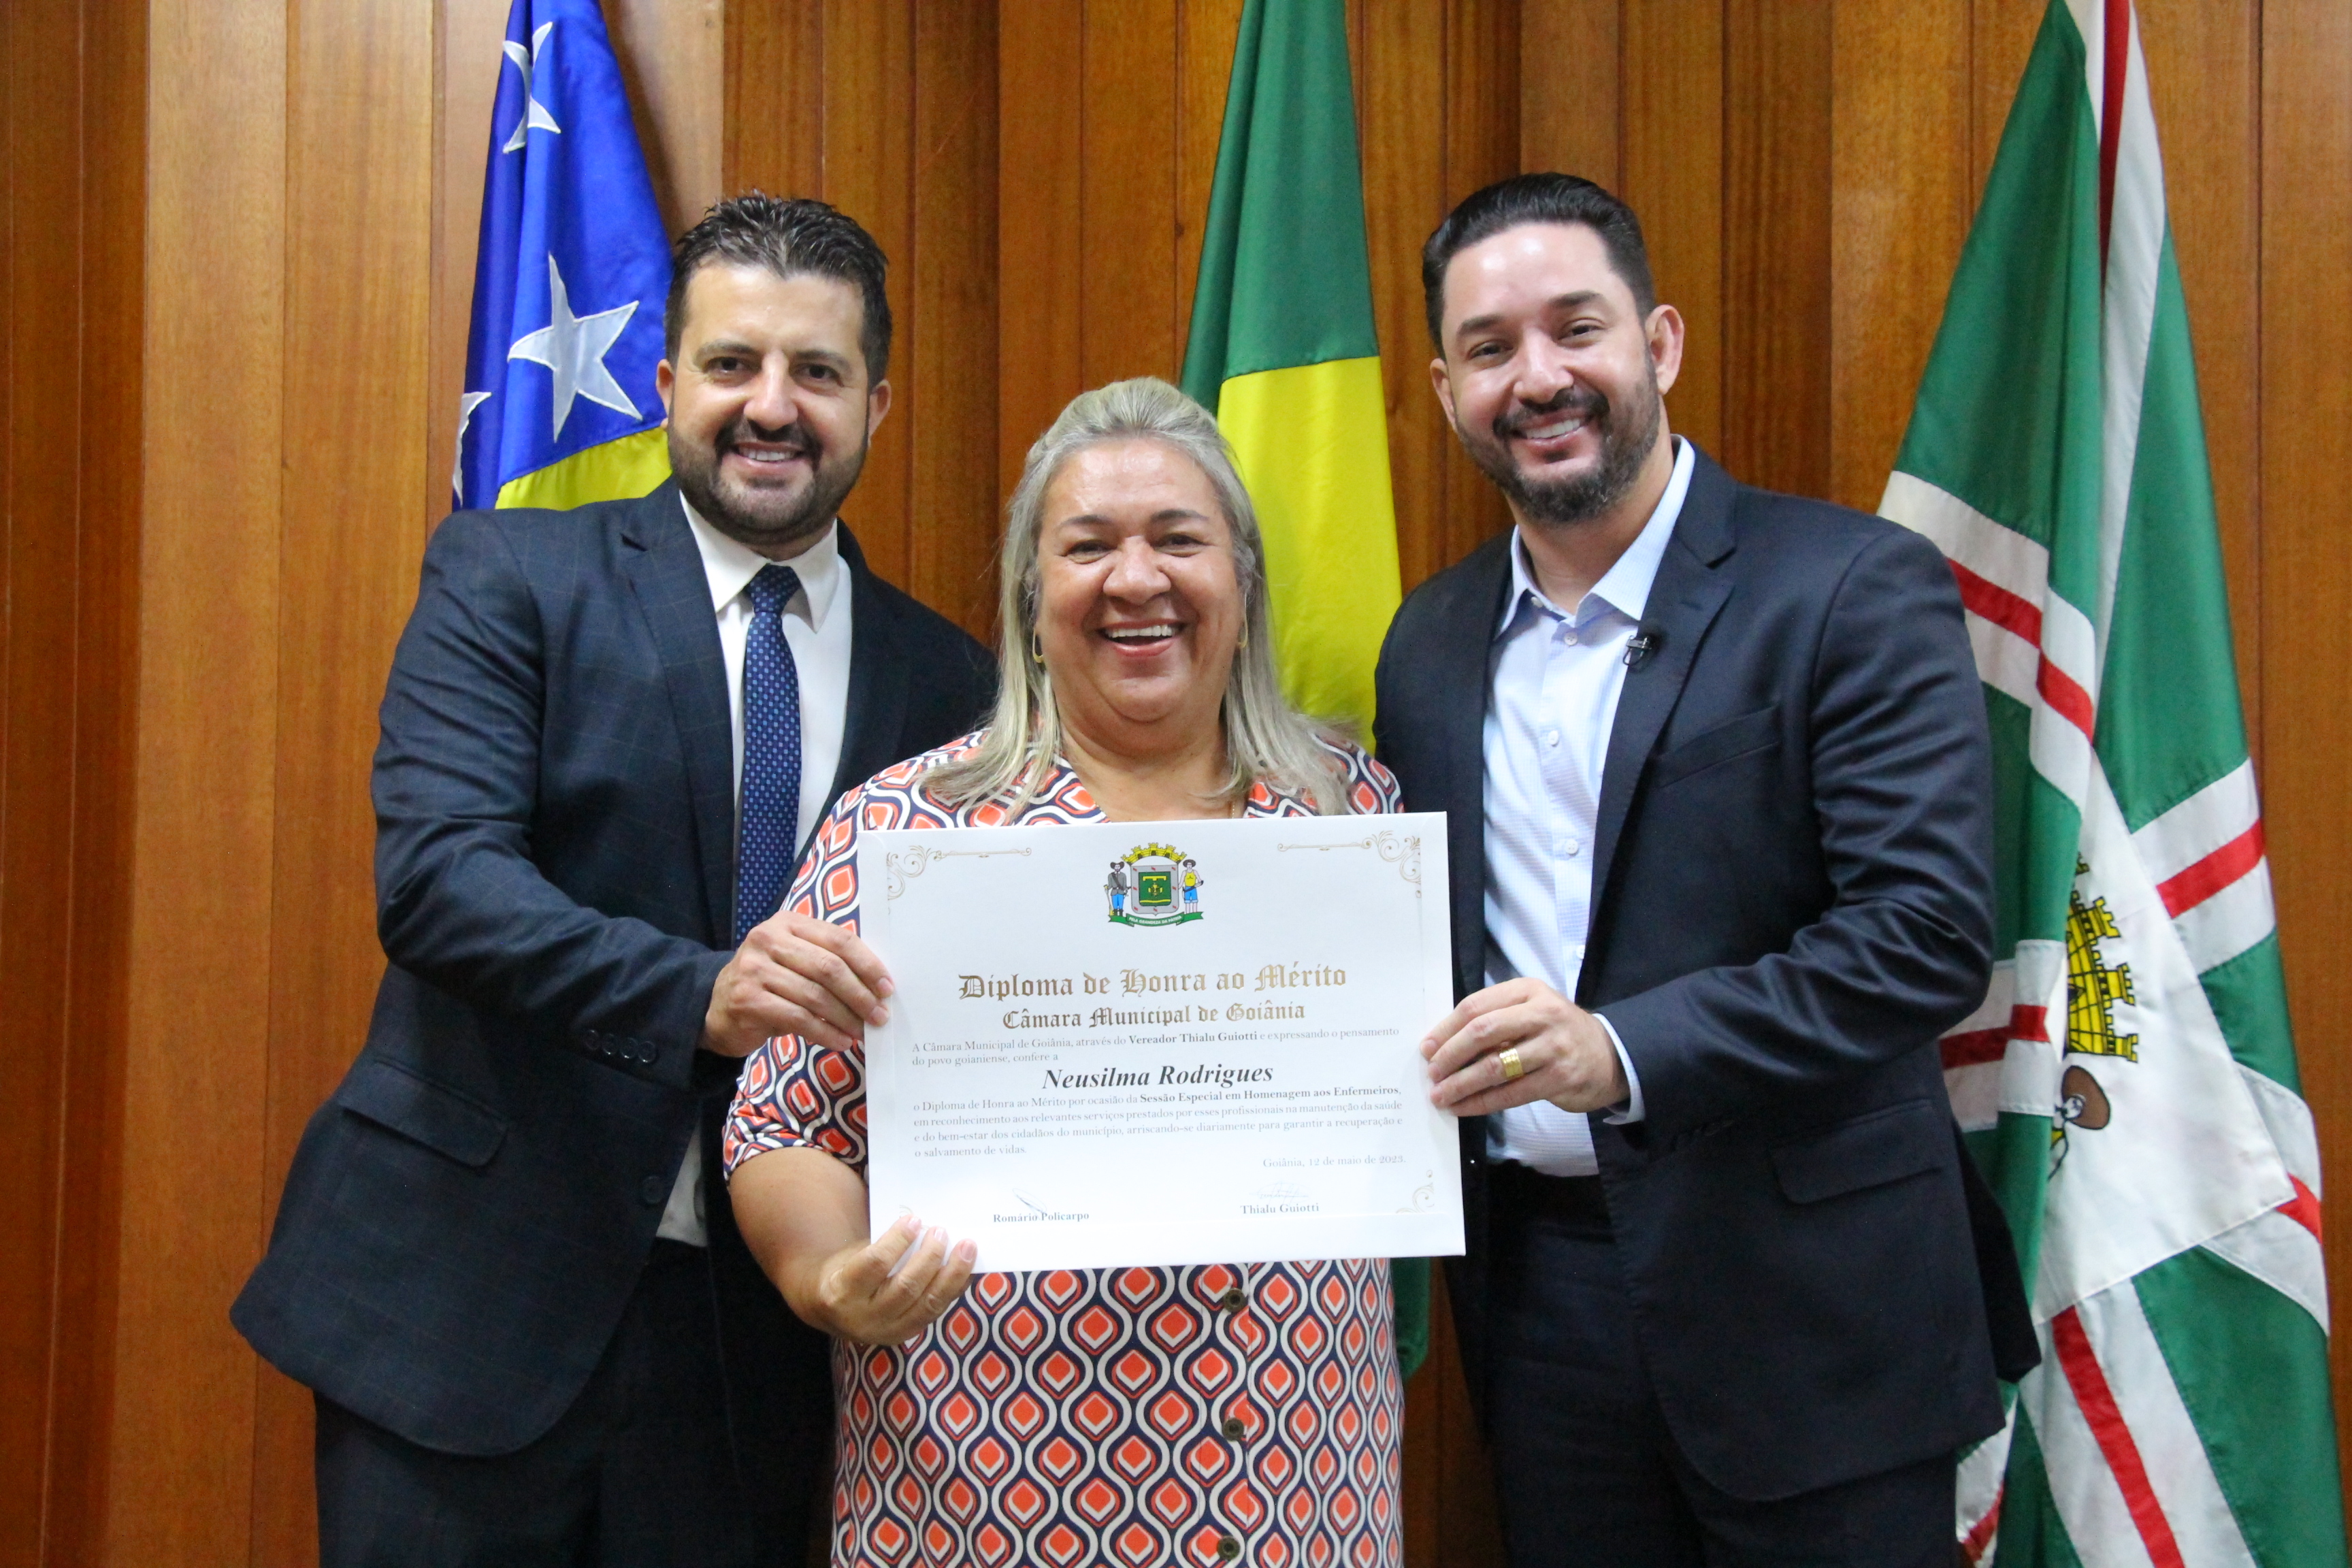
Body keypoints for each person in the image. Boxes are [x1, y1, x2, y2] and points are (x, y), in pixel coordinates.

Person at [231, 194, 994, 1567]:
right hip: (467, 1306)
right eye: (732, 364)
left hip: (754, 1361)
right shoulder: (511, 577)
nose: (772, 407)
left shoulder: (952, 683)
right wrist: (705, 994)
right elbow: (440, 882)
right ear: (664, 383)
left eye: (818, 372)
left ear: (877, 404)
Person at [1373, 173, 2036, 1566]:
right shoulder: (1426, 644)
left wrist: (1618, 1051)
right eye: (1490, 348)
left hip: (1815, 1311)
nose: (1537, 378)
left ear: (1659, 343)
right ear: (1445, 391)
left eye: (1577, 328)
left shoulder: (1850, 587)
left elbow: (1923, 933)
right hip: (1543, 1308)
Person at [724, 377, 1407, 1568]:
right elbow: (785, 1120)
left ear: (1244, 584)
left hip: (1292, 1482)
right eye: (1089, 546)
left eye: (1179, 540)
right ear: (1033, 601)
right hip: (978, 1484)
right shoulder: (906, 831)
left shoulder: (1354, 817)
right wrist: (828, 1277)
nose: (1136, 580)